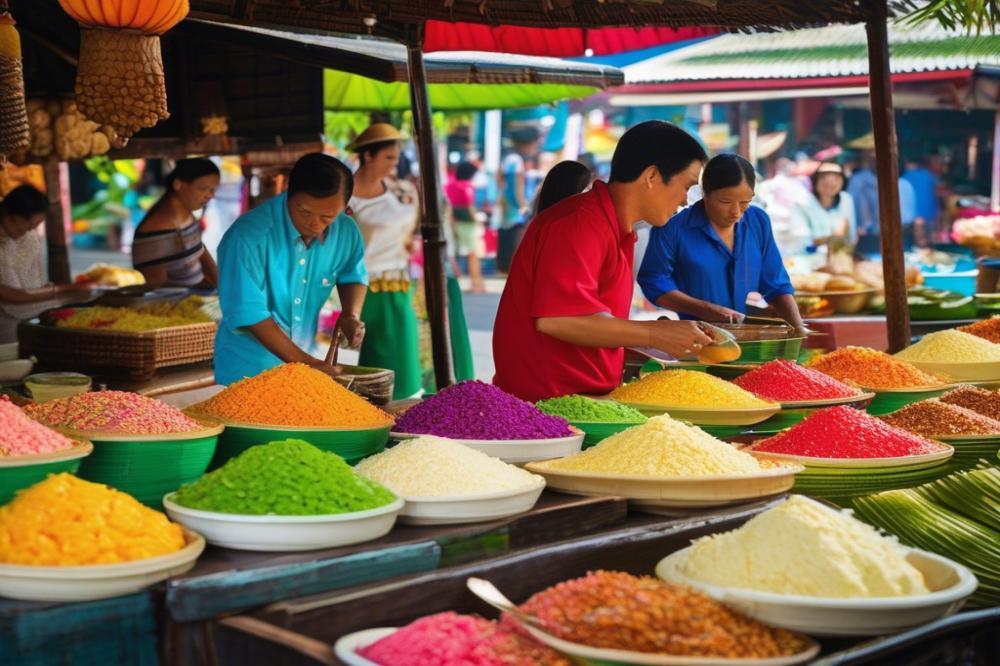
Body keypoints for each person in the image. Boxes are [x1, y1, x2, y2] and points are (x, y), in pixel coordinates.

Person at [492, 120, 714, 402]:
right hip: (548, 405)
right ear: (652, 176)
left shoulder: (619, 228)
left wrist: (657, 340)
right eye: (686, 186)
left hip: (585, 399)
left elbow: (593, 323)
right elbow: (559, 321)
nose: (685, 201)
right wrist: (653, 334)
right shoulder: (581, 223)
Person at [214, 153, 367, 386]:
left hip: (305, 367)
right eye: (304, 211)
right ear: (288, 193)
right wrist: (306, 363)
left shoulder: (346, 230)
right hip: (249, 372)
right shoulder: (246, 238)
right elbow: (249, 312)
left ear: (344, 208)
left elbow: (352, 272)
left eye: (327, 217)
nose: (314, 224)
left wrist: (350, 314)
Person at [638, 154, 807, 336]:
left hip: (749, 338)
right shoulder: (672, 229)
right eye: (725, 202)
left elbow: (776, 283)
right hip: (697, 340)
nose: (736, 212)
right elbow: (654, 281)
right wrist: (705, 309)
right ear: (705, 193)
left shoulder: (758, 221)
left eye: (745, 203)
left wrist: (798, 327)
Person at [347, 123, 423, 400]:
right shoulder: (345, 199)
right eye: (388, 157)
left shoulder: (402, 191)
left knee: (405, 353)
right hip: (363, 284)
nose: (394, 164)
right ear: (368, 156)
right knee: (376, 353)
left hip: (400, 282)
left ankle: (405, 407)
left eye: (395, 158)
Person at [0, 185, 94, 343]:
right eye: (29, 226)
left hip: (25, 321)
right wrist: (67, 289)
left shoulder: (28, 239)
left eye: (34, 228)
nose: (29, 231)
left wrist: (64, 291)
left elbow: (33, 288)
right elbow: (12, 295)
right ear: (11, 217)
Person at [131, 158, 220, 289]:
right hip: (170, 306)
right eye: (204, 188)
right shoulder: (157, 227)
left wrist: (216, 284)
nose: (210, 195)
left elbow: (200, 251)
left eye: (213, 190)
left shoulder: (188, 216)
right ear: (178, 184)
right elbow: (155, 284)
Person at [792, 162, 856, 248]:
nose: (830, 182)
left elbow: (852, 236)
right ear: (815, 181)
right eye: (824, 178)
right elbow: (802, 240)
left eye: (836, 178)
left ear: (842, 182)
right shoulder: (801, 203)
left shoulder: (846, 199)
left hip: (840, 256)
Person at [445, 161, 486, 293]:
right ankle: (476, 284)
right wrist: (478, 219)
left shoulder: (450, 185)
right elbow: (470, 207)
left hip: (455, 223)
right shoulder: (467, 187)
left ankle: (468, 283)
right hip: (469, 224)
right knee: (474, 255)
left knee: (455, 254)